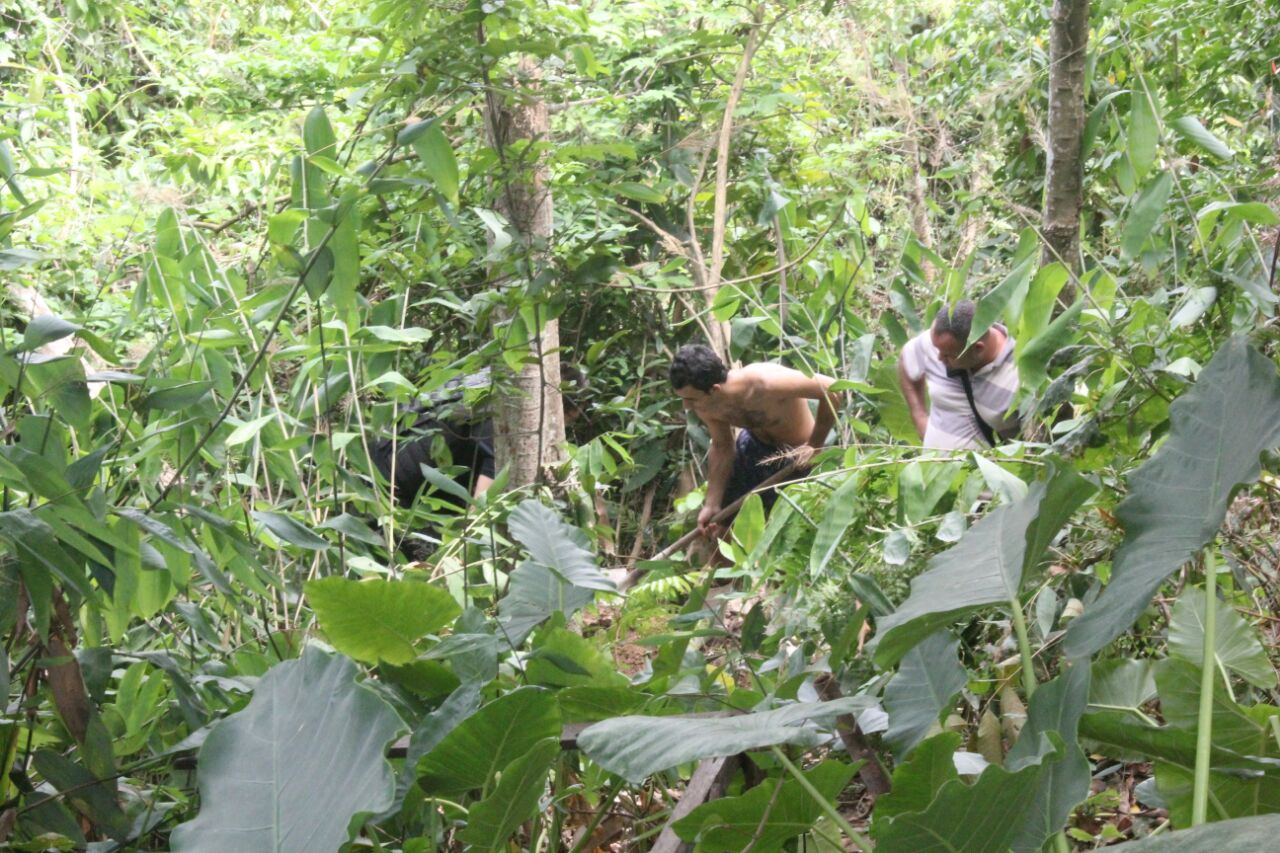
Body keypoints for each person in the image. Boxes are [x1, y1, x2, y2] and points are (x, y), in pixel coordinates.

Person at [669, 344, 843, 539]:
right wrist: (712, 502)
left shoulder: (765, 382)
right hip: (755, 448)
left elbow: (833, 390)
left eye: (691, 399)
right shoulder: (705, 405)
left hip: (799, 455)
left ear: (715, 390)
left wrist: (814, 445)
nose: (686, 406)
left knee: (793, 532)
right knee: (720, 525)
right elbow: (722, 445)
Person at [898, 299, 1020, 450]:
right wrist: (919, 418)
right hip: (932, 462)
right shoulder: (942, 342)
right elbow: (906, 357)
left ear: (978, 349)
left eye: (948, 355)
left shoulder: (1019, 374)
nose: (939, 357)